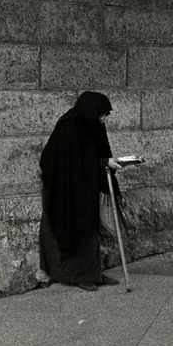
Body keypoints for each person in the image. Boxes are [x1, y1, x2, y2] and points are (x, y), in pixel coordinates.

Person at [38, 91, 121, 291]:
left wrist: (107, 163)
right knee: (73, 228)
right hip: (65, 191)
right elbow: (71, 162)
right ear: (91, 111)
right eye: (102, 114)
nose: (104, 118)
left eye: (106, 115)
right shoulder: (69, 127)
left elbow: (97, 152)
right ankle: (76, 276)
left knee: (89, 227)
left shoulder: (93, 125)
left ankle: (93, 273)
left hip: (85, 189)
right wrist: (102, 162)